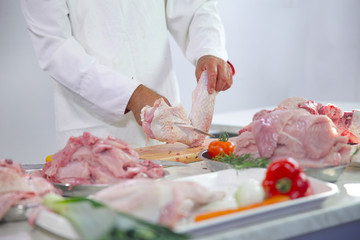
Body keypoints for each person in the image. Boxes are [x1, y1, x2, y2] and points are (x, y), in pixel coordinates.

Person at [21, 0, 234, 149]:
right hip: (96, 134)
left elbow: (193, 6)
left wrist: (209, 49)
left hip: (169, 129)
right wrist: (131, 95)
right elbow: (55, 49)